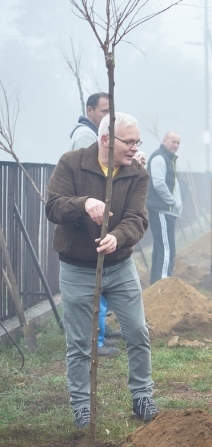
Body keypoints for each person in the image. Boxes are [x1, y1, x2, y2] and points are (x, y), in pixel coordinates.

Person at [46, 112, 159, 429]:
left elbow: (137, 219)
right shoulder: (72, 163)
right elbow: (53, 206)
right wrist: (83, 203)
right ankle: (82, 407)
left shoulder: (137, 173)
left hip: (120, 265)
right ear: (106, 139)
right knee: (80, 343)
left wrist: (117, 237)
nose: (135, 149)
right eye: (130, 141)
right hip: (77, 268)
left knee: (137, 331)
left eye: (138, 142)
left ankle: (142, 397)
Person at [68, 92, 118, 356]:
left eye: (111, 111)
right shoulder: (87, 137)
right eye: (103, 111)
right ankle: (94, 342)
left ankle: (100, 332)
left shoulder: (98, 135)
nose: (107, 116)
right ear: (90, 112)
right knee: (94, 281)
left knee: (102, 278)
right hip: (89, 216)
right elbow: (84, 179)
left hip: (96, 213)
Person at [146, 131, 182, 285]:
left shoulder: (168, 159)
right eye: (173, 141)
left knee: (162, 248)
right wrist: (172, 202)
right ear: (164, 141)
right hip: (162, 210)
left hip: (166, 211)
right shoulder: (160, 158)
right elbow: (158, 183)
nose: (175, 145)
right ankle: (163, 286)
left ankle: (155, 284)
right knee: (167, 250)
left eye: (178, 143)